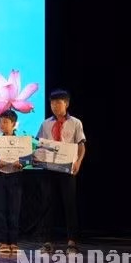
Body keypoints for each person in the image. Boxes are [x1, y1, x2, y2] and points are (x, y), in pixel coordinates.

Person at [35, 89, 86, 254]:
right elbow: (40, 144)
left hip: (67, 168)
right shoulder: (45, 123)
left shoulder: (76, 123)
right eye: (52, 103)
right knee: (47, 204)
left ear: (67, 103)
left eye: (58, 102)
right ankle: (47, 241)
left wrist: (78, 162)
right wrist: (37, 156)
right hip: (49, 168)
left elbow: (81, 145)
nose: (55, 106)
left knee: (69, 204)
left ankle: (72, 241)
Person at [0, 110, 24, 254]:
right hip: (0, 176)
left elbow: (27, 160)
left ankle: (14, 241)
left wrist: (22, 163)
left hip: (15, 176)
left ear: (13, 124)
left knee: (14, 210)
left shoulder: (22, 141)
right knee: (0, 209)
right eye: (1, 122)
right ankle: (2, 241)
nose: (2, 125)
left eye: (5, 122)